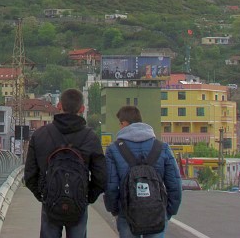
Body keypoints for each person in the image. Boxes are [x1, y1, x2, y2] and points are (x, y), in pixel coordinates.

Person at [24, 88, 107, 238]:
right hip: (79, 200)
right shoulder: (91, 137)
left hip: (50, 201)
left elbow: (29, 175)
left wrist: (44, 195)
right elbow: (101, 177)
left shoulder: (40, 135)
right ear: (82, 108)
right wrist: (87, 197)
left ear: (59, 105)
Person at [104, 106, 182, 238]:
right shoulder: (162, 147)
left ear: (124, 123)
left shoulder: (113, 149)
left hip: (127, 212)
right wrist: (168, 212)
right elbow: (175, 184)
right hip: (156, 211)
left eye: (120, 124)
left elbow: (110, 186)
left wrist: (116, 210)